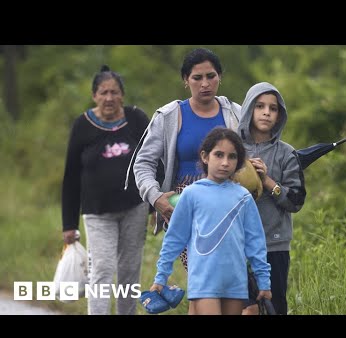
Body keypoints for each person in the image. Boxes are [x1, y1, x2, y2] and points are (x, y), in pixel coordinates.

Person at [131, 48, 241, 314]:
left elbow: (252, 154)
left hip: (229, 207)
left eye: (211, 76)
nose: (205, 84)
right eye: (197, 77)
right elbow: (143, 163)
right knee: (204, 281)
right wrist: (156, 197)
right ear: (185, 80)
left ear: (220, 77)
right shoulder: (170, 116)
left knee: (223, 286)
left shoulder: (236, 114)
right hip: (185, 206)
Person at [149, 127, 272, 315]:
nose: (225, 162)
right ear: (205, 157)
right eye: (219, 155)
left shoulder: (244, 197)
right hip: (203, 280)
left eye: (232, 157)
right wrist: (161, 277)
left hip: (235, 282)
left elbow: (256, 242)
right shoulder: (191, 194)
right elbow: (174, 239)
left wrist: (264, 281)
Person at [61, 65, 153, 315]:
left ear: (122, 94)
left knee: (129, 271)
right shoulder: (82, 125)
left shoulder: (136, 119)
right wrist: (69, 224)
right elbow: (71, 176)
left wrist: (155, 205)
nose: (109, 98)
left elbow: (155, 160)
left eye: (114, 92)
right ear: (94, 95)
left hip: (135, 207)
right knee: (101, 269)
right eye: (103, 93)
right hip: (97, 213)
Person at [238, 82, 306, 315]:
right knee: (245, 308)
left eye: (273, 108)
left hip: (274, 244)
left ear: (279, 115)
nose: (266, 112)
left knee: (274, 307)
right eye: (260, 106)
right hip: (237, 244)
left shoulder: (287, 153)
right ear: (249, 109)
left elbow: (296, 201)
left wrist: (267, 181)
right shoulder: (232, 148)